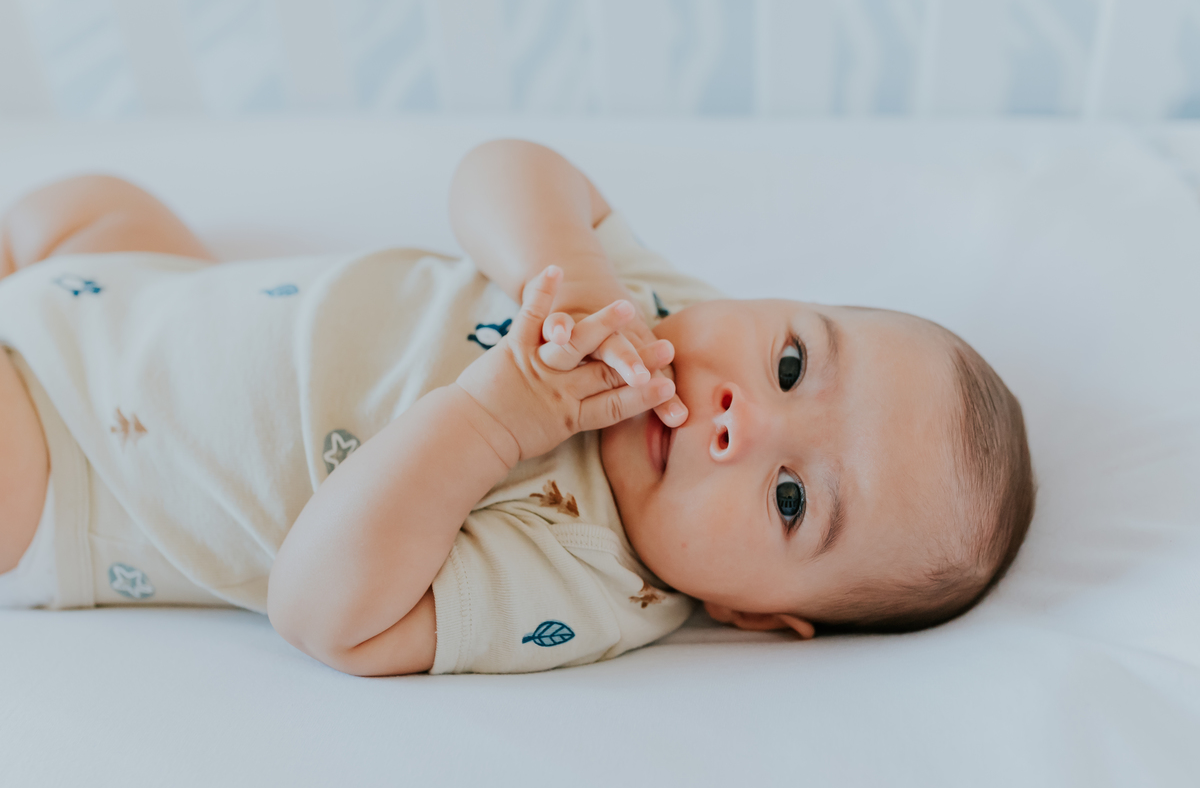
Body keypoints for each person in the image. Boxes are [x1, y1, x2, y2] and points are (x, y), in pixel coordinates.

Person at [0, 139, 1034, 676]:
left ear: (754, 615)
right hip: (138, 299)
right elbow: (501, 167)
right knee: (88, 200)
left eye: (793, 499)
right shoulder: (657, 305)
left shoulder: (588, 584)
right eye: (797, 364)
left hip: (77, 469)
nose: (741, 419)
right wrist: (567, 263)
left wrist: (498, 419)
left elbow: (322, 614)